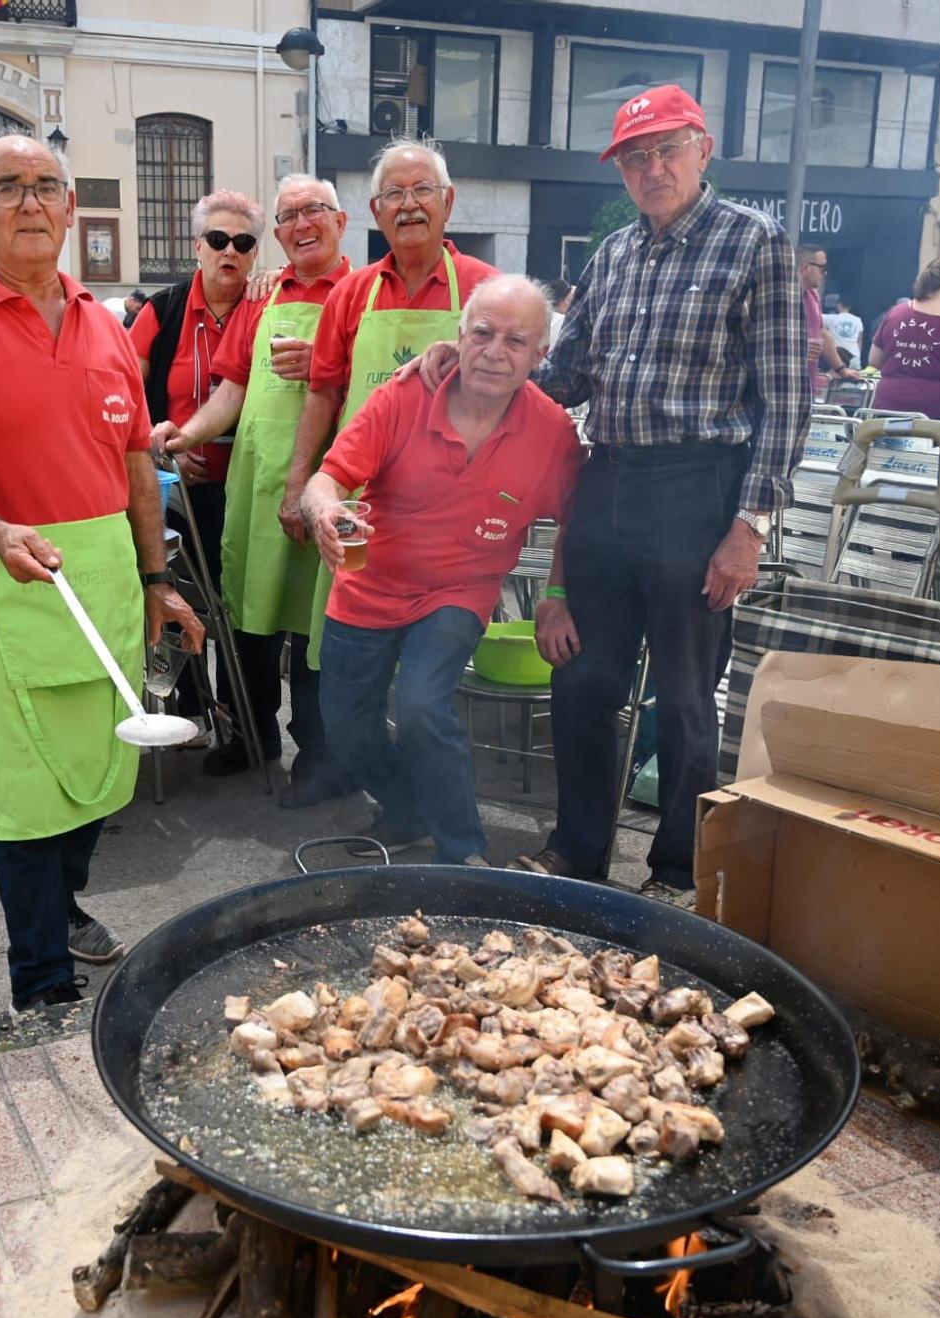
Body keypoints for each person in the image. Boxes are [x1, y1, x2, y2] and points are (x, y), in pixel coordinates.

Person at [415, 85, 803, 889]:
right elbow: (565, 377)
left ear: (702, 148)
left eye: (666, 150)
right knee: (583, 675)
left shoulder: (756, 242)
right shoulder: (615, 255)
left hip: (700, 489)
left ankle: (676, 866)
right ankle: (579, 847)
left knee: (689, 693)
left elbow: (788, 396)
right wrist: (479, 368)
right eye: (634, 157)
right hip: (610, 480)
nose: (651, 168)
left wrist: (751, 526)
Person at [0, 133, 204, 1012]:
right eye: (8, 187)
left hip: (105, 583)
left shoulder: (107, 327)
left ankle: (62, 904)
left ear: (70, 207)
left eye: (45, 187)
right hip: (10, 587)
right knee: (25, 789)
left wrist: (155, 578)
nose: (30, 203)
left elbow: (138, 460)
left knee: (102, 768)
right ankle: (40, 985)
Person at [301, 277, 581, 863]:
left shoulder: (552, 432)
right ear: (460, 335)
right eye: (482, 333)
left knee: (423, 703)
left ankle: (465, 854)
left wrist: (556, 594)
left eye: (515, 341)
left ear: (539, 356)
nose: (494, 352)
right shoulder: (402, 398)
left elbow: (577, 523)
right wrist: (326, 512)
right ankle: (408, 811)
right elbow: (328, 480)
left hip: (460, 591)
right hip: (367, 580)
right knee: (346, 728)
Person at [278, 136, 499, 810]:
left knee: (426, 686)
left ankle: (440, 802)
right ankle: (395, 792)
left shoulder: (486, 291)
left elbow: (520, 393)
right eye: (395, 195)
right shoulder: (351, 295)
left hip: (448, 522)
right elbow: (321, 393)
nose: (409, 206)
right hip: (359, 517)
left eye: (421, 191)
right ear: (375, 212)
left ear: (448, 203)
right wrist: (298, 488)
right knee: (348, 678)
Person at [150, 174, 351, 794]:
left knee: (320, 626)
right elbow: (233, 389)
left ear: (341, 222)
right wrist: (187, 433)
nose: (302, 224)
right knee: (250, 619)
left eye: (315, 210)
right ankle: (252, 732)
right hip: (259, 486)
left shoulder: (363, 291)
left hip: (334, 481)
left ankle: (321, 754)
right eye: (289, 216)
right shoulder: (261, 299)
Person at [131, 188, 266, 764]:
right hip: (174, 487)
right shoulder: (161, 310)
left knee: (238, 613)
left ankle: (245, 728)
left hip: (247, 490)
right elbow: (124, 392)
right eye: (218, 240)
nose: (229, 251)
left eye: (243, 242)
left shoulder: (269, 304)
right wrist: (162, 452)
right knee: (180, 599)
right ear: (198, 246)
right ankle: (193, 713)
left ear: (255, 252)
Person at [868, 258, 940, 426]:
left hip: (891, 403)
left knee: (892, 452)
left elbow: (874, 360)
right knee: (933, 452)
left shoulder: (896, 312)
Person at [799, 248, 857, 395]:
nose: (825, 273)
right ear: (806, 268)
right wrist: (799, 349)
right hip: (783, 383)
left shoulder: (813, 296)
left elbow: (822, 334)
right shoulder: (784, 295)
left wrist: (841, 369)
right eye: (822, 268)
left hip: (806, 385)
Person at [824, 296, 863, 369]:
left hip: (837, 359)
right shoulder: (858, 320)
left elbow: (813, 316)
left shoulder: (831, 318)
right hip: (854, 358)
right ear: (850, 307)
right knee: (854, 379)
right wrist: (858, 356)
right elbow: (859, 341)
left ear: (839, 305)